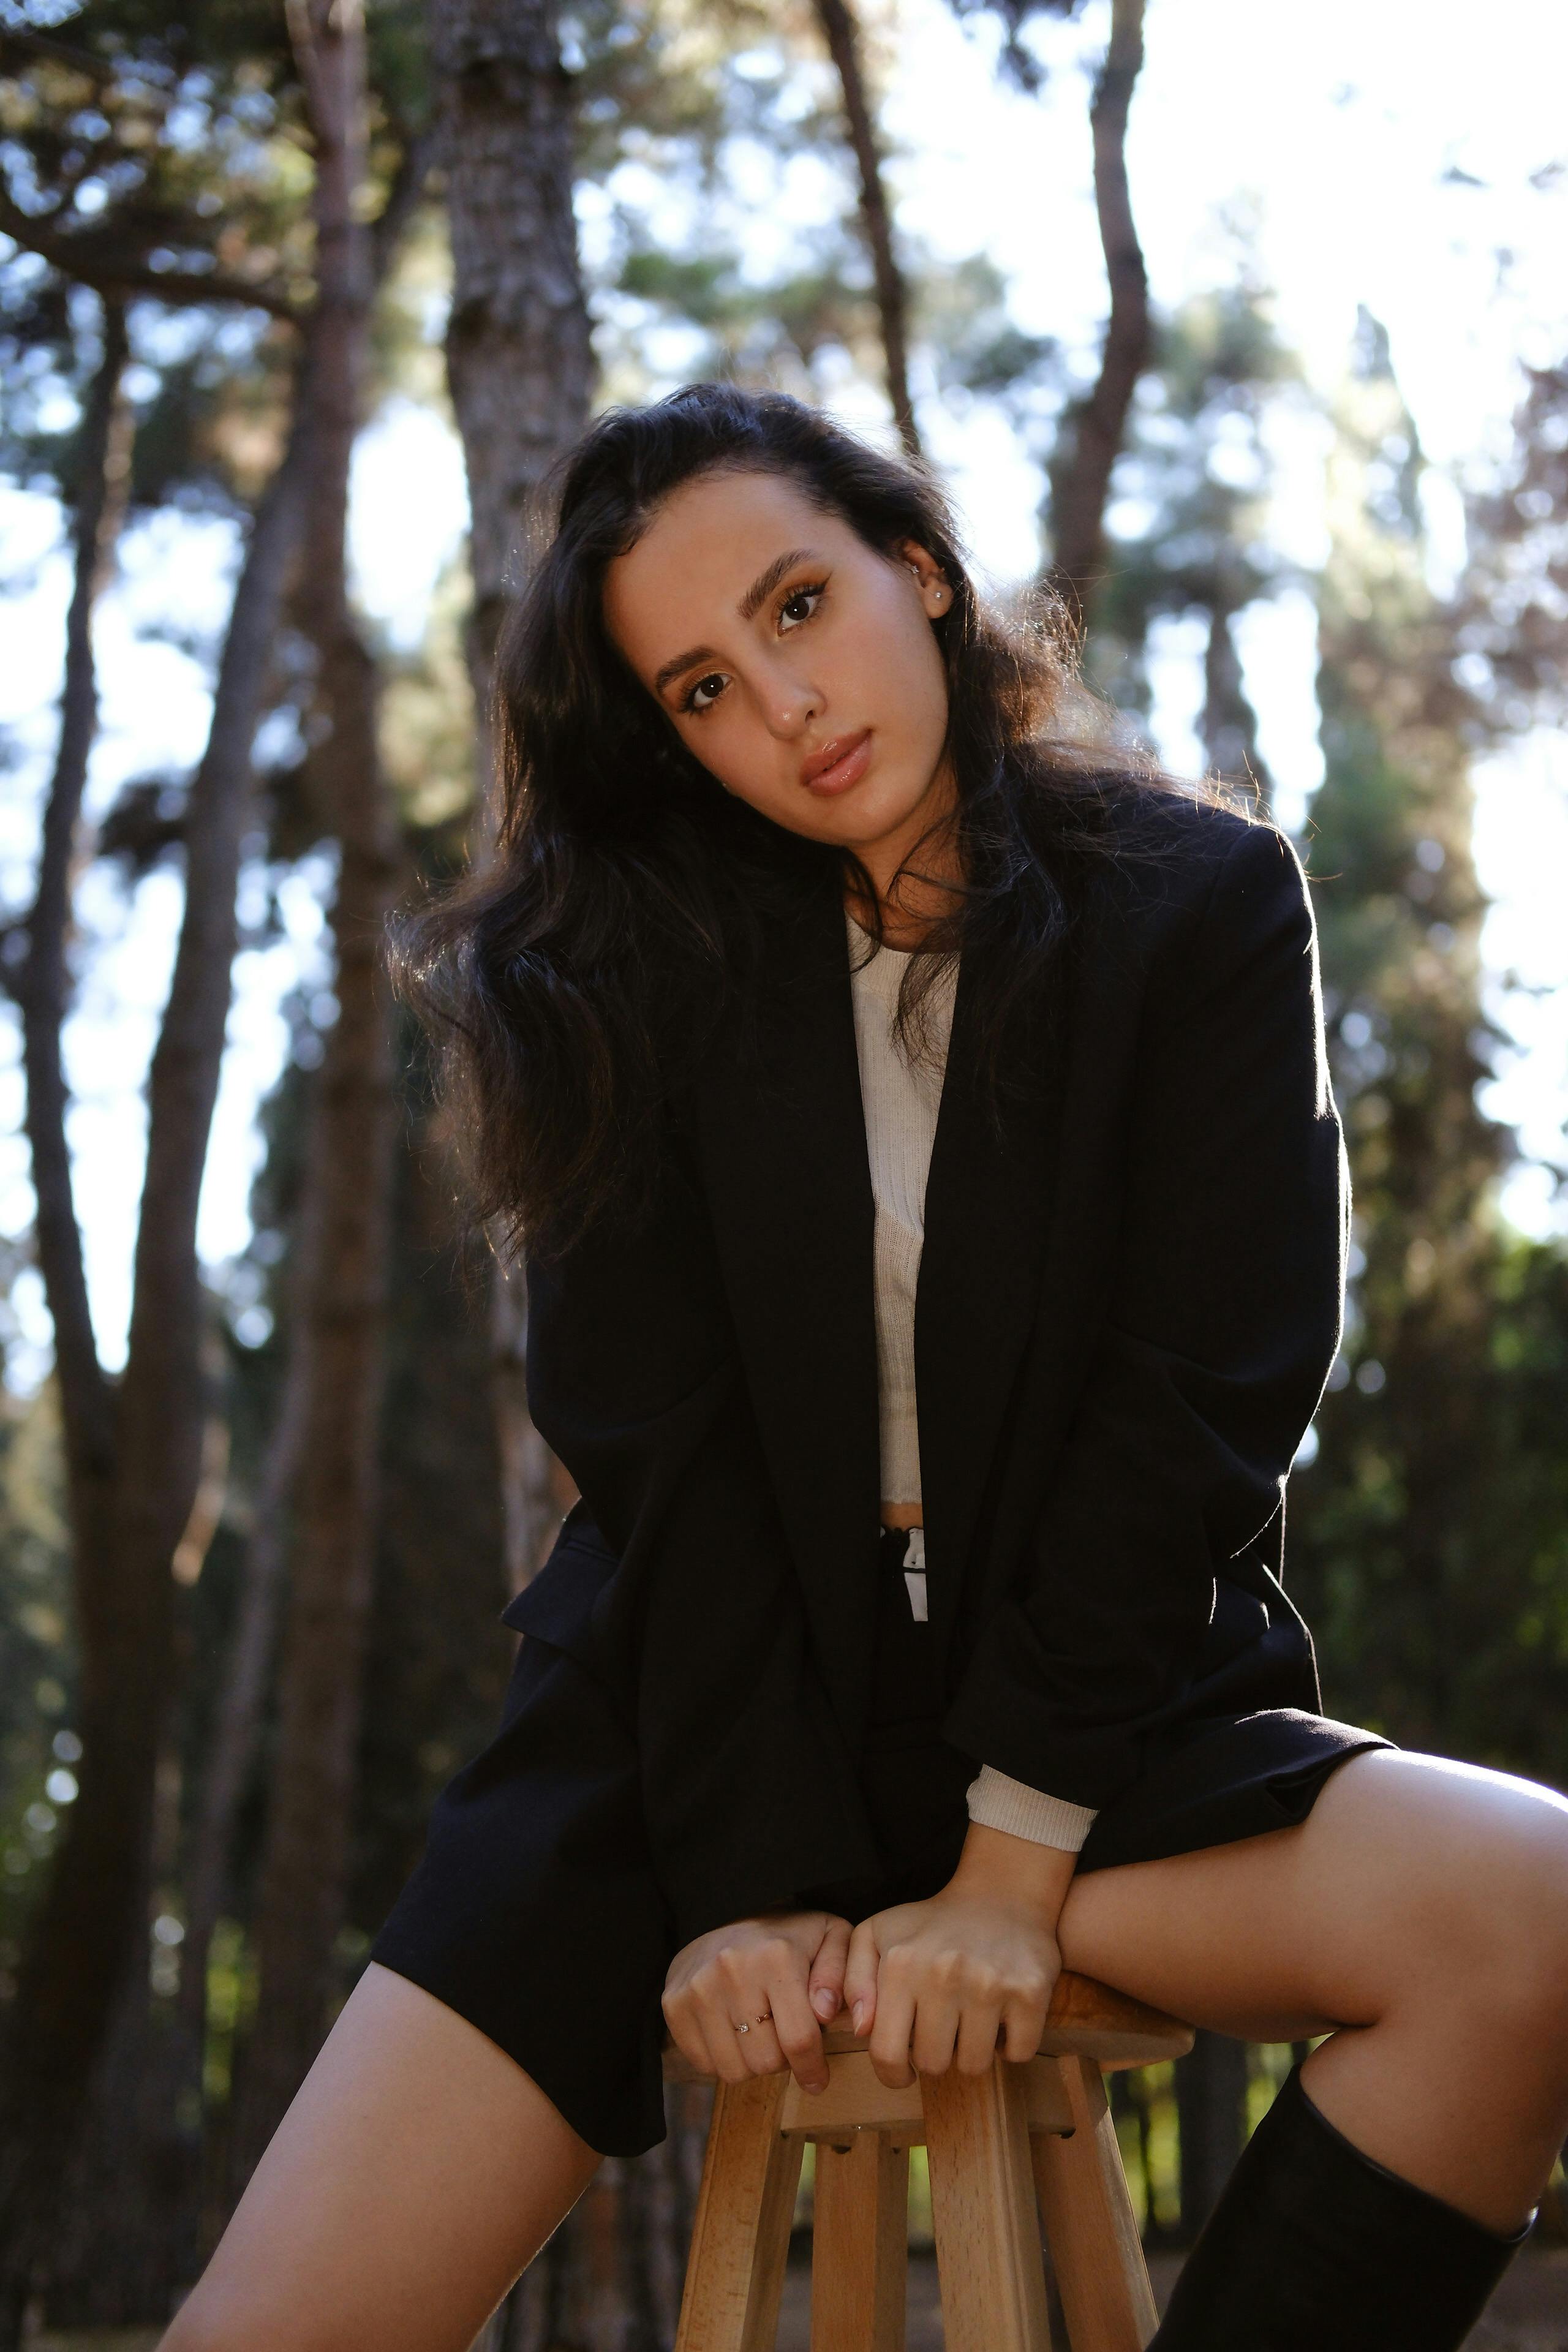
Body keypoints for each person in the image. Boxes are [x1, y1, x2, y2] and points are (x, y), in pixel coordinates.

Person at [164, 385, 1568, 2352]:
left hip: (1089, 1723)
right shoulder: (623, 972)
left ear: (920, 571)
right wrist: (742, 1885)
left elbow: (1197, 1404)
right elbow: (670, 1468)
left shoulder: (1199, 908)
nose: (785, 705)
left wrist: (1007, 1867)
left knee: (1535, 1912)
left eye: (801, 605)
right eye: (703, 691)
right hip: (688, 1725)